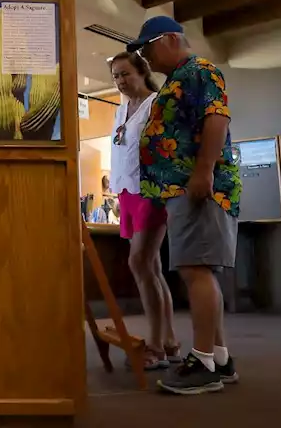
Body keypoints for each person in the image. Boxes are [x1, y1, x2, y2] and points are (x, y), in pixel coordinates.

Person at [130, 16, 241, 395]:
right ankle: (220, 358)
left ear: (172, 39)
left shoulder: (200, 71)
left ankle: (203, 362)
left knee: (196, 270)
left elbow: (216, 118)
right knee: (198, 271)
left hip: (199, 188)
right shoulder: (176, 80)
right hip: (180, 191)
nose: (144, 56)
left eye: (148, 47)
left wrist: (204, 171)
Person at [108, 50, 180, 371]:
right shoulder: (121, 108)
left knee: (138, 262)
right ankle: (169, 340)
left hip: (150, 191)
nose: (121, 81)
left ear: (142, 71)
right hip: (126, 192)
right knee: (150, 267)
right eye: (116, 76)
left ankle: (154, 345)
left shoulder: (157, 105)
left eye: (125, 73)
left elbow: (167, 151)